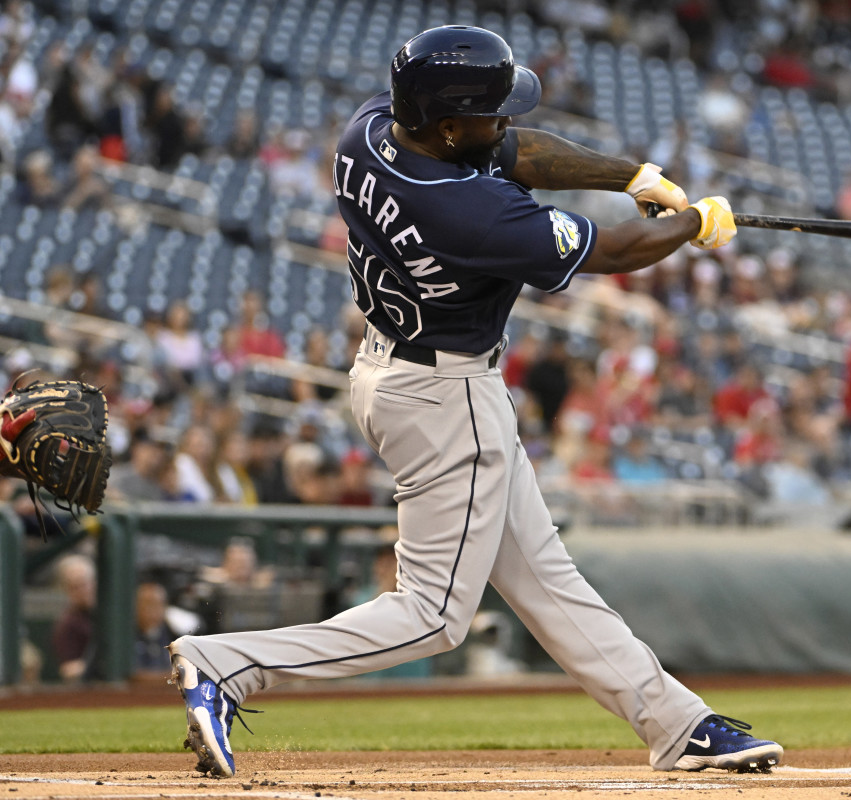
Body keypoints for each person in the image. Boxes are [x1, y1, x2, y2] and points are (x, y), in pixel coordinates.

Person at [167, 25, 780, 779]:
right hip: (443, 396)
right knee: (431, 616)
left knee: (545, 577)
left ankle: (676, 723)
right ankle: (228, 665)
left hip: (397, 370)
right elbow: (616, 253)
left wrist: (633, 176)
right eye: (490, 113)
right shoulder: (469, 213)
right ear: (449, 125)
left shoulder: (369, 132)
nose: (506, 123)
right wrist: (694, 225)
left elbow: (513, 151)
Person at [52, 554, 97, 683]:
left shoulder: (112, 613)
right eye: (74, 587)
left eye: (85, 584)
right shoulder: (67, 624)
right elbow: (68, 670)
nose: (83, 591)